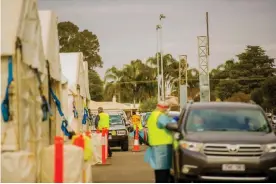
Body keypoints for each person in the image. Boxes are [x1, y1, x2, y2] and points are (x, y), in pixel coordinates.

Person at [144, 101, 176, 183]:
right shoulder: (160, 116)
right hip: (163, 146)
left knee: (159, 170)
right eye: (166, 108)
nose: (167, 110)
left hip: (156, 145)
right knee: (164, 172)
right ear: (163, 108)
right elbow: (173, 125)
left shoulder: (153, 115)